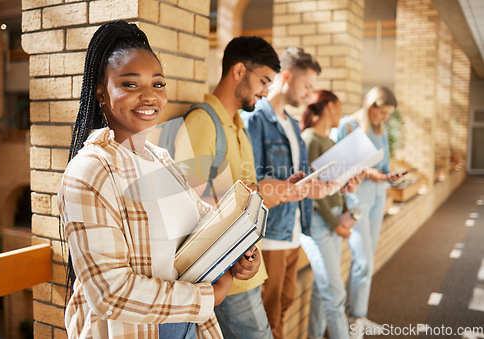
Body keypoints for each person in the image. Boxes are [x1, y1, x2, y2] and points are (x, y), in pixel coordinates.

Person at [57, 20, 258, 338]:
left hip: (188, 327)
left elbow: (203, 225)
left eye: (158, 84)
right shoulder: (90, 172)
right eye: (131, 84)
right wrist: (209, 297)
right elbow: (111, 292)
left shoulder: (162, 158)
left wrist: (240, 254)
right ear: (101, 92)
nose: (149, 97)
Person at [173, 37, 313, 338]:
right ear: (239, 71)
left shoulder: (238, 125)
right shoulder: (202, 124)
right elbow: (185, 207)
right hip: (224, 274)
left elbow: (245, 189)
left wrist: (276, 189)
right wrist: (259, 191)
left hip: (243, 266)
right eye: (263, 80)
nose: (266, 91)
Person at [241, 47, 331, 339]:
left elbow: (294, 180)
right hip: (269, 235)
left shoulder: (293, 125)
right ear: (288, 76)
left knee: (284, 305)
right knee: (268, 317)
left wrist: (313, 187)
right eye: (307, 86)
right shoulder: (256, 120)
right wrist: (284, 187)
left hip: (294, 231)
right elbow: (249, 178)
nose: (309, 94)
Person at [333, 86, 400, 338]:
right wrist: (369, 173)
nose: (384, 119)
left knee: (365, 260)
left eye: (388, 115)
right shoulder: (348, 126)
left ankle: (355, 314)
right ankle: (357, 320)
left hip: (377, 197)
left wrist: (387, 174)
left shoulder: (381, 131)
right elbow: (337, 167)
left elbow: (382, 165)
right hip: (356, 199)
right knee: (363, 261)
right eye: (382, 113)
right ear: (371, 106)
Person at [299, 90, 357, 339]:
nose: (342, 114)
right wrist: (335, 224)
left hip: (334, 220)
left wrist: (345, 214)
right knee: (335, 294)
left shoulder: (331, 142)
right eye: (340, 107)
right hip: (321, 224)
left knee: (324, 292)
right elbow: (314, 192)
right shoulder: (310, 139)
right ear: (330, 106)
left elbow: (335, 186)